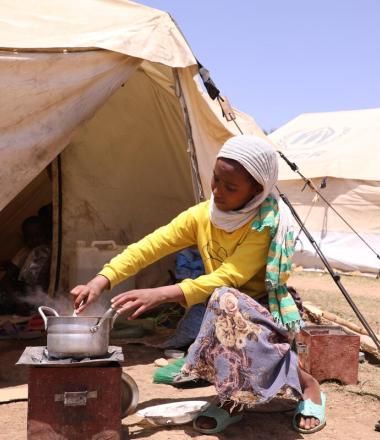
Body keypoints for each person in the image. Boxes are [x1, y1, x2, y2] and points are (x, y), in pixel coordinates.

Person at [71, 135, 326, 434]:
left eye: (230, 187)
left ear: (256, 190)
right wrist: (102, 280)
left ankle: (309, 386)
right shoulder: (202, 216)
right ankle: (233, 400)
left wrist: (163, 293)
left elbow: (229, 275)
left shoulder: (263, 225)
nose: (217, 191)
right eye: (215, 180)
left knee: (224, 298)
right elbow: (150, 246)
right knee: (218, 304)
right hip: (221, 307)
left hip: (264, 312)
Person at [0, 215, 51, 314]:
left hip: (43, 295)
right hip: (23, 295)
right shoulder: (25, 252)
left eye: (38, 236)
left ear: (46, 234)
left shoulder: (53, 251)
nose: (34, 240)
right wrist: (18, 300)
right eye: (30, 238)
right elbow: (6, 280)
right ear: (24, 239)